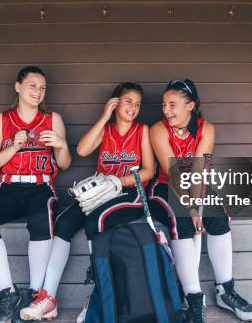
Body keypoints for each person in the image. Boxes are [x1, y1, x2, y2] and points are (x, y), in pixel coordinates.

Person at [20, 82, 155, 321]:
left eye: (137, 104)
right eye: (128, 101)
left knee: (97, 223)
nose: (133, 107)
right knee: (63, 223)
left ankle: (96, 298)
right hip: (98, 192)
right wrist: (105, 116)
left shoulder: (142, 130)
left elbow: (148, 171)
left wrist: (119, 182)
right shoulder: (106, 129)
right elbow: (82, 150)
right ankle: (48, 298)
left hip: (129, 194)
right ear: (115, 103)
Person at [148, 79, 252, 322]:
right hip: (164, 186)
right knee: (184, 222)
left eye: (173, 105)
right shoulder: (158, 129)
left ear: (190, 105)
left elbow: (200, 170)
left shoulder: (206, 128)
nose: (166, 110)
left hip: (195, 185)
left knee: (218, 218)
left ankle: (225, 290)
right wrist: (191, 208)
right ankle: (193, 298)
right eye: (164, 105)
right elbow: (173, 173)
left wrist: (200, 204)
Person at [0, 66, 72, 323]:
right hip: (10, 186)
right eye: (32, 86)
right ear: (18, 87)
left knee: (41, 216)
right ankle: (8, 293)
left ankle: (35, 295)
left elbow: (64, 164)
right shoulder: (2, 120)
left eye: (42, 88)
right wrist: (15, 146)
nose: (38, 92)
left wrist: (60, 145)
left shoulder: (52, 119)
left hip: (41, 186)